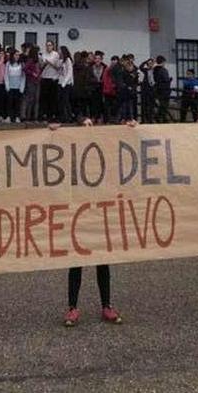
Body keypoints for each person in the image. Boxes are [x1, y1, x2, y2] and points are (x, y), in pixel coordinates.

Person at [52, 117, 124, 327]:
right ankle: (72, 307)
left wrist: (130, 130)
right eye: (83, 125)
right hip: (77, 215)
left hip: (98, 214)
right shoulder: (70, 152)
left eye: (90, 125)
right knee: (76, 264)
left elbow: (120, 149)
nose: (87, 129)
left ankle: (107, 306)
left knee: (103, 262)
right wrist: (54, 132)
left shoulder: (102, 150)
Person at [39, 41, 61, 122]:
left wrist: (49, 62)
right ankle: (45, 114)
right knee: (45, 98)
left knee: (53, 98)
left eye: (50, 45)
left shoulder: (55, 54)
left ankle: (53, 115)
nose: (48, 47)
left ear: (53, 46)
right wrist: (43, 63)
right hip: (44, 77)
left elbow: (58, 67)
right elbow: (41, 66)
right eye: (47, 45)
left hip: (53, 78)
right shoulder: (43, 54)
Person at [21, 46, 41, 122]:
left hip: (37, 81)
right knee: (29, 98)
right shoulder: (30, 60)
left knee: (36, 100)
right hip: (31, 81)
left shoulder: (38, 61)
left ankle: (35, 116)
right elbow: (25, 69)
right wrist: (32, 73)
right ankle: (26, 116)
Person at [4, 49, 25, 124]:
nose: (17, 56)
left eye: (18, 55)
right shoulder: (8, 63)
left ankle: (17, 117)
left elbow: (23, 77)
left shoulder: (21, 64)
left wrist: (22, 87)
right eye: (16, 55)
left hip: (18, 87)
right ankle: (9, 117)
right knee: (9, 102)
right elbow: (6, 75)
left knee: (17, 103)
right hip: (10, 86)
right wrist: (7, 86)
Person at [57, 46, 74, 123]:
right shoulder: (61, 61)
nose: (58, 52)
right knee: (60, 101)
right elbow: (60, 71)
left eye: (59, 51)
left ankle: (69, 117)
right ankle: (62, 117)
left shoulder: (68, 60)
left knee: (66, 101)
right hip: (60, 82)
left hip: (66, 84)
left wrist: (64, 83)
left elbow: (69, 73)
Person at [152, 56, 172, 123]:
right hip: (164, 90)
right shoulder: (163, 70)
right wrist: (169, 80)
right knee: (164, 105)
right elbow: (166, 80)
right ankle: (162, 117)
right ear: (163, 62)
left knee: (161, 104)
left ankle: (160, 117)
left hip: (158, 89)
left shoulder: (155, 70)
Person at [138, 58, 155, 124]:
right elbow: (140, 66)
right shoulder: (146, 70)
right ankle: (143, 119)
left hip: (152, 90)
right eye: (149, 63)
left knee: (151, 106)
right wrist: (146, 61)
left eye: (152, 63)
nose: (150, 64)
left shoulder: (155, 70)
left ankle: (150, 119)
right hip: (145, 90)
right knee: (144, 105)